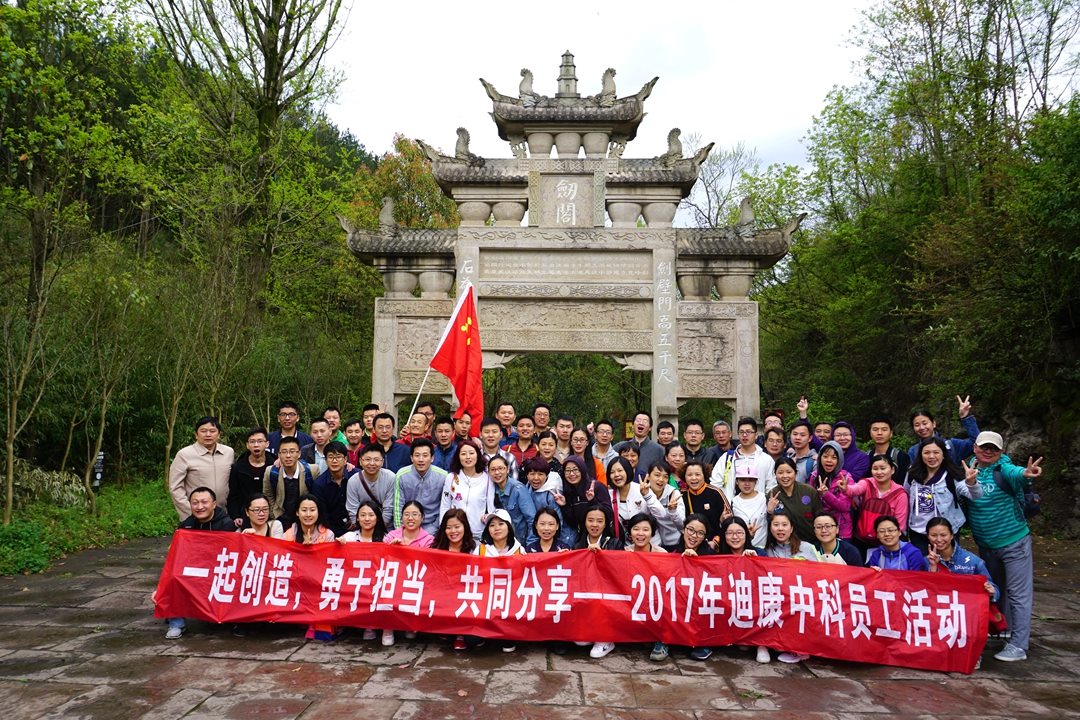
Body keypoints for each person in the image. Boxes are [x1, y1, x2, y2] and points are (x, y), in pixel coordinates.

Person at [956, 430, 1042, 663]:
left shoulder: (1004, 469)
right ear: (975, 448)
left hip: (1014, 541)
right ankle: (1004, 630)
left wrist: (1026, 474)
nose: (988, 451)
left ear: (1001, 451)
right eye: (984, 447)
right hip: (986, 545)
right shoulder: (971, 467)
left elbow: (1017, 474)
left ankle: (1019, 645)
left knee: (1018, 594)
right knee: (996, 590)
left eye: (993, 448)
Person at [163, 486, 235, 638]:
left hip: (219, 569)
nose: (199, 506)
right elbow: (177, 552)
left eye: (204, 502)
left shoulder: (227, 524)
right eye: (195, 503)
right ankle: (176, 623)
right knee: (174, 577)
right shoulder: (186, 525)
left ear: (214, 504)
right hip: (195, 568)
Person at [760, 511, 817, 664]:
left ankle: (799, 649)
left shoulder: (807, 548)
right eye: (776, 525)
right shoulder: (767, 550)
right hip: (777, 597)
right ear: (770, 528)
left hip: (801, 597)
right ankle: (764, 644)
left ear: (791, 528)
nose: (780, 529)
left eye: (784, 525)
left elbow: (819, 574)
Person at [906, 436, 968, 555]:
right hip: (919, 532)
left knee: (948, 563)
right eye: (927, 453)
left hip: (945, 532)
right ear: (920, 455)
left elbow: (973, 494)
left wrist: (972, 483)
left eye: (936, 452)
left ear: (943, 455)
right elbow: (906, 495)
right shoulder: (912, 474)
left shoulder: (951, 474)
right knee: (922, 564)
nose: (931, 456)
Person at [622, 513, 669, 662]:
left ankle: (661, 641)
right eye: (636, 529)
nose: (640, 534)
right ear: (630, 532)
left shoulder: (662, 554)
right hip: (631, 599)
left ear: (652, 532)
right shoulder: (623, 553)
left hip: (654, 601)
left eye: (645, 529)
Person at [430, 509, 479, 652]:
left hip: (466, 592)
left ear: (465, 527)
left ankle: (460, 634)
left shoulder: (475, 548)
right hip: (443, 593)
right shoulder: (436, 547)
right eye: (449, 527)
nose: (453, 531)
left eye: (457, 527)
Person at [168, 416, 234, 520]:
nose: (208, 434)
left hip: (223, 514)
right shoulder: (184, 454)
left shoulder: (228, 452)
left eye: (212, 431)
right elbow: (175, 487)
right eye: (203, 431)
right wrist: (191, 511)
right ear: (196, 434)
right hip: (196, 515)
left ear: (219, 434)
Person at [844, 454, 908, 547]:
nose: (879, 472)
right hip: (861, 538)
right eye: (875, 468)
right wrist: (846, 488)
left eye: (883, 468)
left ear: (892, 470)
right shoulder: (867, 483)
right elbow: (855, 489)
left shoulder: (900, 494)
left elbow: (900, 524)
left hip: (886, 542)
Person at [440, 439, 495, 540]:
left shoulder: (487, 479)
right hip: (454, 533)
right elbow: (445, 506)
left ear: (478, 455)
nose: (468, 457)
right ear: (458, 457)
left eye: (471, 453)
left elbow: (491, 509)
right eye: (463, 454)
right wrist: (443, 529)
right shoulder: (451, 478)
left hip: (477, 533)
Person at [390, 438, 447, 534]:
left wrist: (432, 531)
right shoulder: (402, 475)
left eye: (425, 455)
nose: (421, 459)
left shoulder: (443, 476)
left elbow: (444, 507)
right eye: (417, 455)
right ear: (411, 458)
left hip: (433, 528)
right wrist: (401, 532)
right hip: (407, 527)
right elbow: (398, 508)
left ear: (432, 458)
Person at [710, 417, 775, 499]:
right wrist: (724, 503)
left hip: (759, 505)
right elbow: (715, 484)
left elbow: (771, 487)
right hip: (731, 505)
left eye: (748, 432)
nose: (744, 435)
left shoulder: (766, 459)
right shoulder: (727, 458)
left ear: (756, 435)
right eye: (741, 432)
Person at [908, 395, 981, 465]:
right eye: (917, 425)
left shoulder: (952, 445)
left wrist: (965, 417)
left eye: (924, 423)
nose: (921, 427)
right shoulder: (914, 451)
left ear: (934, 424)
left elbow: (977, 443)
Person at [556, 455, 610, 547]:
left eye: (575, 470)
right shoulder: (568, 491)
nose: (571, 474)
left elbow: (609, 513)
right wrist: (565, 506)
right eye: (568, 471)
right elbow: (573, 522)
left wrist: (592, 500)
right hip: (584, 537)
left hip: (604, 537)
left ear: (582, 470)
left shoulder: (596, 487)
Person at [263, 436, 316, 529]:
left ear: (299, 454)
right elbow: (268, 495)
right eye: (284, 452)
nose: (288, 455)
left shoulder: (312, 470)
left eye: (292, 451)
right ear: (279, 455)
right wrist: (274, 514)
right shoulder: (271, 472)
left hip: (304, 518)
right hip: (280, 517)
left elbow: (316, 496)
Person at [767, 457, 822, 543]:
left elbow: (819, 517)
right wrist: (769, 511)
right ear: (775, 474)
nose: (785, 476)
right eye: (780, 473)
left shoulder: (809, 491)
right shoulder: (772, 495)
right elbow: (769, 524)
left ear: (795, 472)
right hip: (783, 544)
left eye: (789, 472)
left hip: (810, 542)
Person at [809, 441, 855, 540]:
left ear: (840, 460)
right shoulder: (814, 476)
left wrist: (826, 494)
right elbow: (811, 504)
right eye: (825, 456)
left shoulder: (846, 477)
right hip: (821, 530)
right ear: (820, 458)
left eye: (834, 457)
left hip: (842, 531)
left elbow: (845, 507)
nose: (829, 460)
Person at [311, 441, 358, 538]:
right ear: (326, 460)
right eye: (331, 457)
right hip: (331, 532)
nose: (334, 461)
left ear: (345, 459)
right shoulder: (319, 484)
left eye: (338, 457)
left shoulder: (356, 476)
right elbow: (322, 514)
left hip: (357, 528)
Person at [607, 456, 657, 545]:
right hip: (626, 547)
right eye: (612, 472)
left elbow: (661, 514)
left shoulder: (642, 489)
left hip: (650, 545)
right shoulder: (609, 495)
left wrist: (647, 496)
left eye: (620, 470)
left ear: (628, 471)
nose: (616, 474)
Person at [488, 454, 536, 546]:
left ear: (507, 469)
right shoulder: (491, 490)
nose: (497, 472)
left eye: (501, 468)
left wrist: (531, 544)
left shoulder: (518, 489)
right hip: (503, 543)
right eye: (493, 470)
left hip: (521, 542)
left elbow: (532, 519)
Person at [227, 428, 271, 525]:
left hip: (270, 515)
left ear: (267, 444)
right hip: (245, 515)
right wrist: (236, 515)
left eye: (260, 441)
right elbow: (233, 495)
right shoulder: (238, 467)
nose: (256, 445)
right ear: (247, 445)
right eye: (252, 442)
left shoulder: (274, 466)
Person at [346, 443, 394, 529]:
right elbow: (353, 510)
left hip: (385, 528)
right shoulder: (353, 481)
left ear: (382, 462)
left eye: (376, 460)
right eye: (367, 459)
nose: (372, 463)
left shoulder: (391, 478)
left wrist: (379, 530)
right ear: (360, 461)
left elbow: (389, 508)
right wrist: (364, 530)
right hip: (361, 527)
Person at [640, 461, 685, 551]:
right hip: (650, 544)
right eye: (657, 475)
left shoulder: (673, 494)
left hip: (673, 542)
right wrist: (647, 495)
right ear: (648, 476)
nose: (661, 479)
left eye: (665, 476)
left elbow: (681, 525)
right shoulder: (641, 492)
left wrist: (673, 511)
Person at [682, 460, 729, 544]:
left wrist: (716, 541)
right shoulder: (682, 495)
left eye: (697, 474)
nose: (693, 478)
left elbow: (730, 523)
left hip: (714, 542)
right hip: (691, 542)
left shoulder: (715, 493)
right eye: (689, 475)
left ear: (704, 475)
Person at [731, 465, 768, 547]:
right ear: (737, 481)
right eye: (743, 480)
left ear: (756, 482)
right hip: (740, 548)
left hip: (762, 548)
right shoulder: (733, 502)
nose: (747, 484)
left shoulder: (764, 498)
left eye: (751, 480)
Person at [867, 416, 910, 484]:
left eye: (884, 430)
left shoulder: (900, 456)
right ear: (870, 433)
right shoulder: (866, 456)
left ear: (891, 433)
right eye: (875, 430)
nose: (879, 433)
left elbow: (904, 484)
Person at [479, 416, 518, 481]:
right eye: (486, 432)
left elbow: (514, 483)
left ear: (501, 435)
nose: (491, 435)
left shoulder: (509, 458)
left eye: (494, 432)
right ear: (480, 434)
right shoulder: (475, 457)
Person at [786, 420, 818, 484]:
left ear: (810, 438)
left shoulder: (815, 461)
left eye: (802, 435)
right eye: (795, 434)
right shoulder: (787, 458)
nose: (798, 438)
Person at [587, 419, 619, 484]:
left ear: (612, 436)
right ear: (595, 435)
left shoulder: (616, 457)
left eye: (608, 432)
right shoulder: (587, 454)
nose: (604, 435)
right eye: (601, 432)